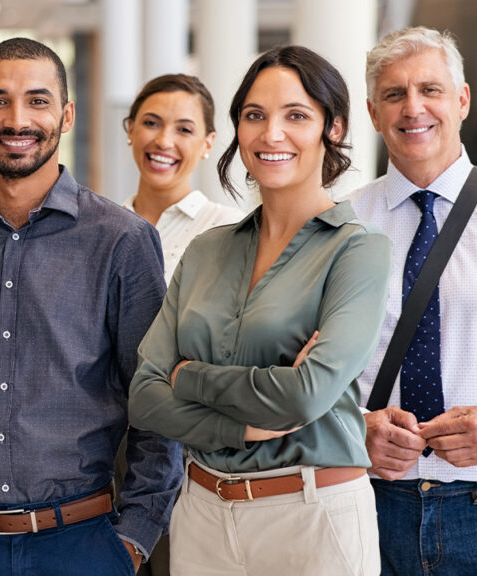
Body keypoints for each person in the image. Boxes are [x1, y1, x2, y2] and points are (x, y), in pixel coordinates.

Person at [0, 37, 181, 576]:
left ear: (65, 115)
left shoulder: (122, 241)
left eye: (38, 101)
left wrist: (134, 537)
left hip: (85, 546)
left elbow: (157, 406)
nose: (17, 119)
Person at [128, 45, 391, 575]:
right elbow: (143, 399)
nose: (271, 134)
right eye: (254, 116)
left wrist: (189, 377)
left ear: (333, 129)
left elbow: (304, 395)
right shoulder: (207, 249)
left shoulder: (358, 249)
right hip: (201, 511)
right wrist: (243, 427)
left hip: (313, 515)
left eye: (296, 115)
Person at [347, 27, 477, 574]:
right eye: (393, 94)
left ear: (462, 100)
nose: (413, 108)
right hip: (367, 504)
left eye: (430, 89)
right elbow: (299, 370)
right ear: (373, 112)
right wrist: (354, 426)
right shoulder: (339, 224)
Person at [122, 74, 243, 283]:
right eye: (151, 123)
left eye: (184, 130)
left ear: (207, 143)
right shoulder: (102, 225)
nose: (164, 141)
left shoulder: (229, 229)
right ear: (131, 129)